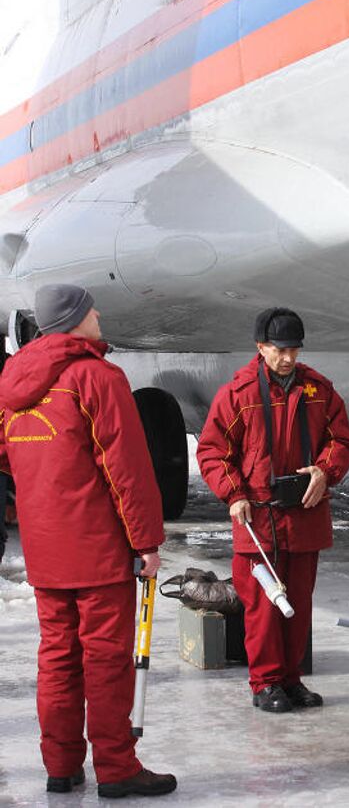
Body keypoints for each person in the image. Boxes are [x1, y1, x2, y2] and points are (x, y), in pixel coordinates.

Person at [0, 284, 177, 799]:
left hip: (45, 551)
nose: (98, 314)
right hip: (98, 550)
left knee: (56, 658)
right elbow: (128, 470)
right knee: (105, 662)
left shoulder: (15, 383)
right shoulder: (96, 377)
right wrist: (146, 543)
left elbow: (10, 456)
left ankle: (60, 766)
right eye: (90, 308)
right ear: (75, 320)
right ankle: (117, 768)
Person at [197, 307, 349, 712]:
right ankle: (265, 682)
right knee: (264, 607)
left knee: (298, 603)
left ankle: (291, 680)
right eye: (279, 349)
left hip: (304, 513)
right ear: (261, 347)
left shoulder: (318, 390)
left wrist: (324, 472)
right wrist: (233, 494)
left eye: (294, 349)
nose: (288, 357)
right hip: (258, 520)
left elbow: (342, 441)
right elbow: (213, 451)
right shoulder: (240, 394)